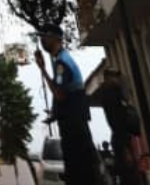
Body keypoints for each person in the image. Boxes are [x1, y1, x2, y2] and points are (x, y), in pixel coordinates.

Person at [35, 24, 98, 185]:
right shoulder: (62, 60)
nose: (42, 40)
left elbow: (60, 94)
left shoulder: (62, 63)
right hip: (74, 123)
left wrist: (42, 69)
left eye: (45, 36)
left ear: (56, 39)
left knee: (80, 171)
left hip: (73, 126)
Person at [91, 68, 141, 185]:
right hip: (121, 139)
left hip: (121, 138)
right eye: (115, 77)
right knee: (129, 174)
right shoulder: (111, 93)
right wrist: (125, 149)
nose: (117, 80)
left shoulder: (111, 92)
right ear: (108, 78)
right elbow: (117, 121)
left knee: (128, 173)